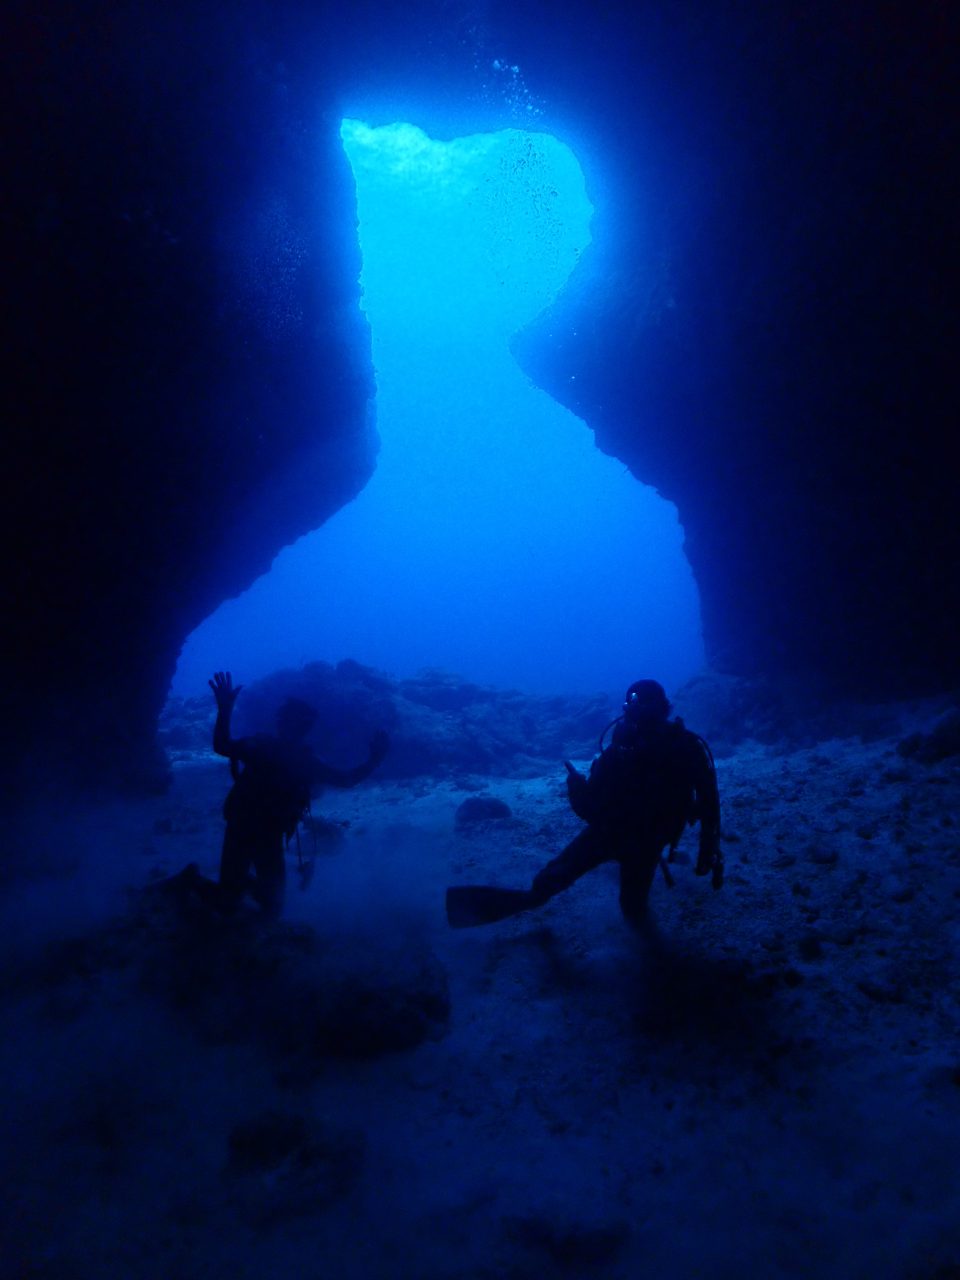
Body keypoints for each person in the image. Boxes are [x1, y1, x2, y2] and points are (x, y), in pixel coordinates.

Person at [446, 679, 721, 930]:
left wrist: (576, 787)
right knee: (626, 905)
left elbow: (590, 809)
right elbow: (709, 803)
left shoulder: (647, 749)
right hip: (628, 837)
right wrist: (707, 851)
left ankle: (644, 950)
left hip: (623, 837)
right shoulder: (672, 747)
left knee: (559, 889)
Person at [177, 671, 389, 919]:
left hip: (269, 835)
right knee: (230, 903)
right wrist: (225, 709)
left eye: (300, 725)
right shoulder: (264, 748)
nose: (295, 729)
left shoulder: (299, 759)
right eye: (292, 723)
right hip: (242, 828)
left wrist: (374, 761)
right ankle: (193, 879)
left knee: (271, 908)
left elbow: (345, 780)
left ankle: (242, 883)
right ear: (284, 724)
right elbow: (223, 746)